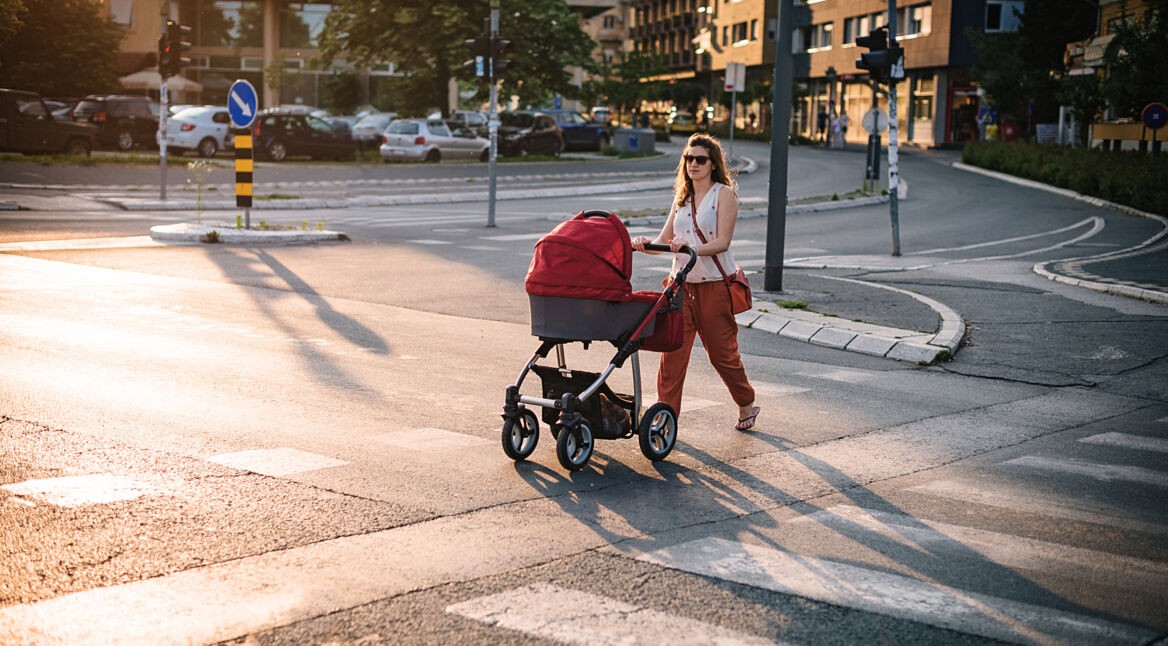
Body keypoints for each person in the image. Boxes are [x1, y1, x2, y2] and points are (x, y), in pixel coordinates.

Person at [631, 133, 759, 431]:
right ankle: (665, 419)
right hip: (679, 287)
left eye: (700, 159)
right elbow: (664, 241)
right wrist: (642, 243)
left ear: (713, 164)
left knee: (722, 355)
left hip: (714, 286)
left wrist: (690, 248)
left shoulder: (723, 194)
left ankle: (746, 403)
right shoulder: (682, 200)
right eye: (688, 159)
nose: (693, 164)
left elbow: (723, 242)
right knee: (671, 354)